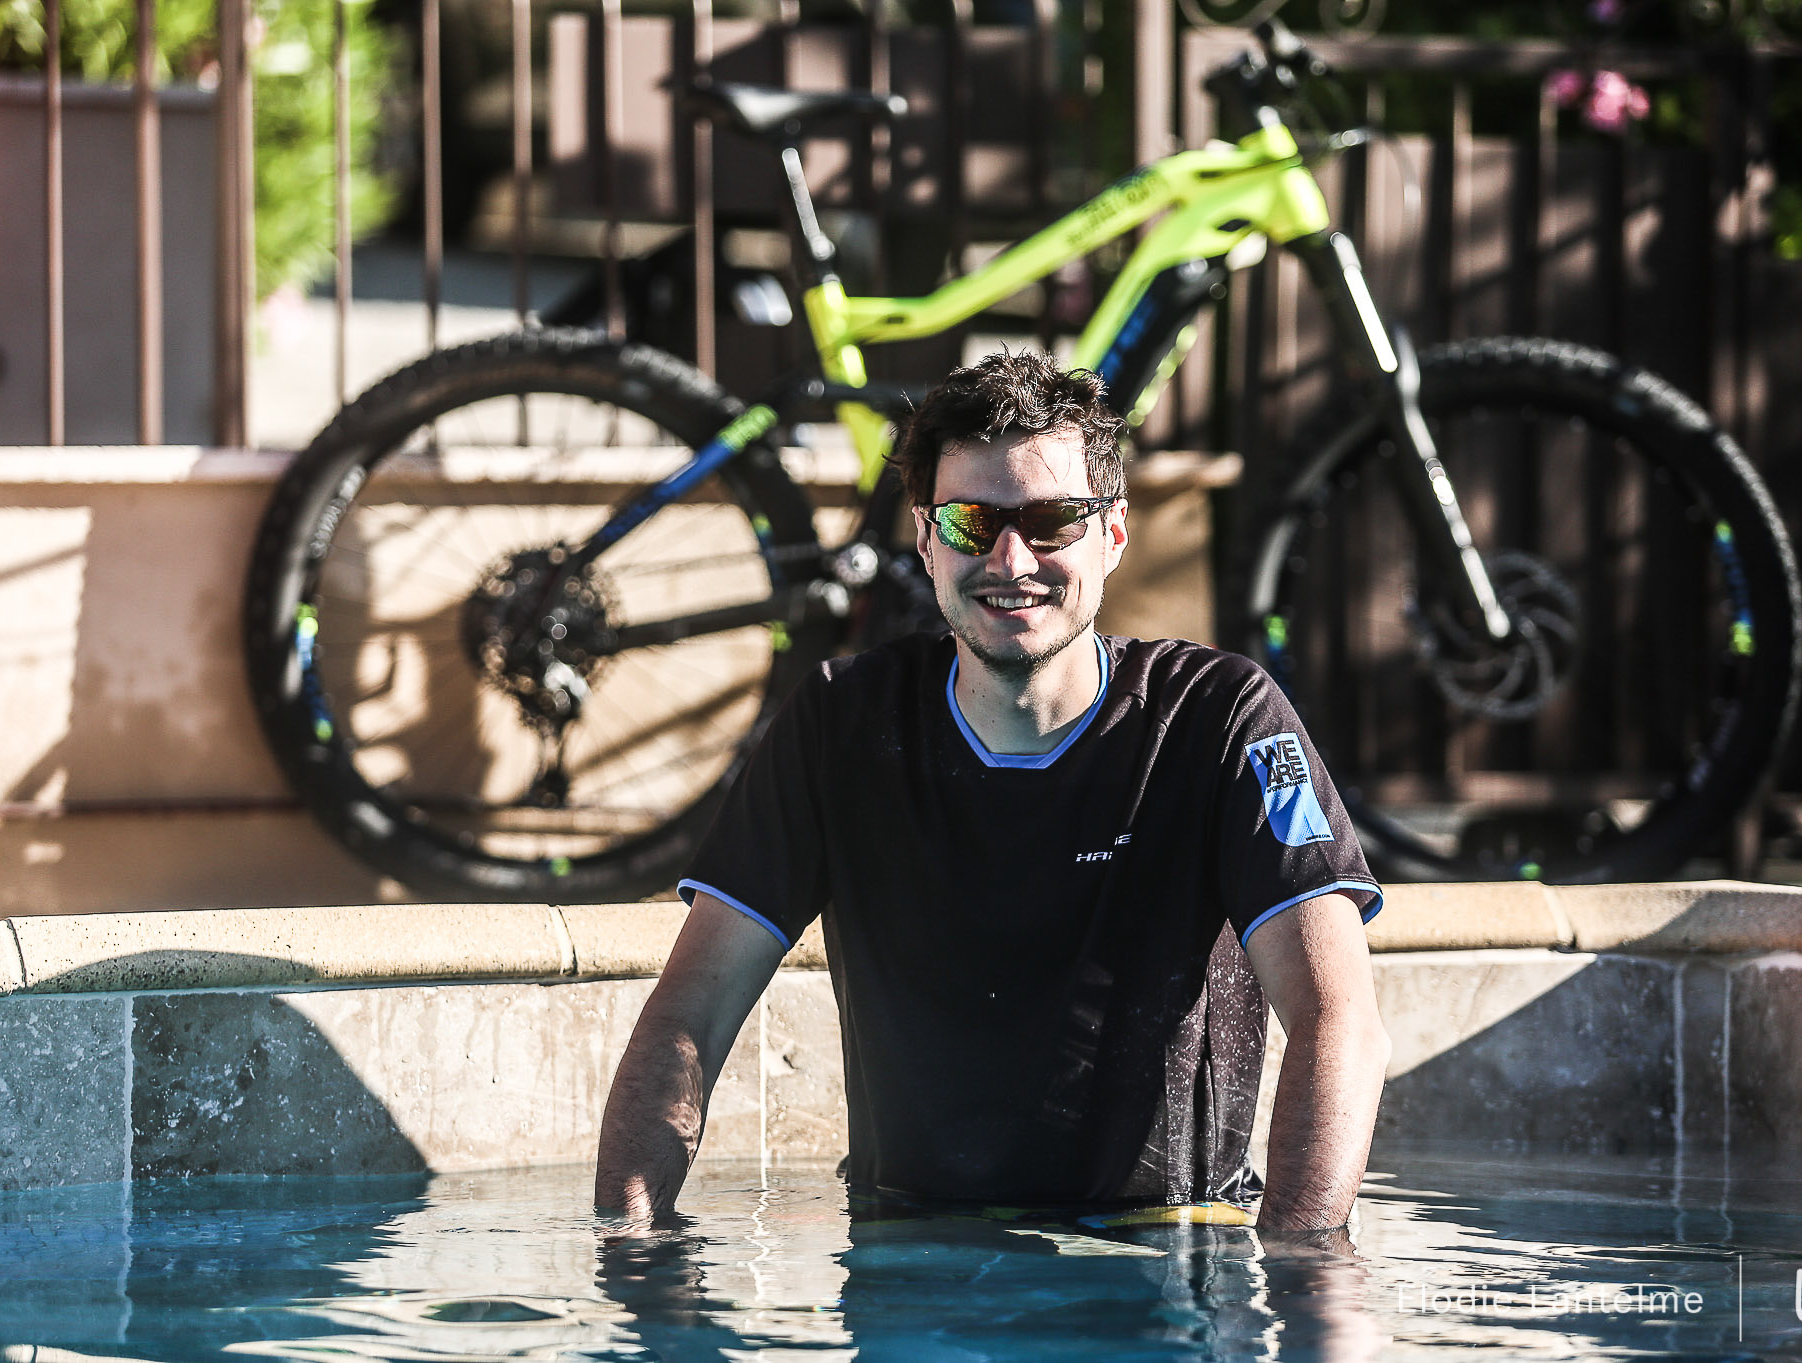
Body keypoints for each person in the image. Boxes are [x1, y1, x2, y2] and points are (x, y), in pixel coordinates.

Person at [594, 351, 1390, 1233]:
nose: (1011, 558)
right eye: (971, 522)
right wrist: (628, 1252)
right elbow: (691, 1014)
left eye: (1050, 521)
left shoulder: (1220, 718)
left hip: (1166, 1253)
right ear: (926, 540)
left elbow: (1337, 1023)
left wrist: (1301, 1269)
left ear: (1112, 533)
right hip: (908, 1251)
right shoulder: (839, 721)